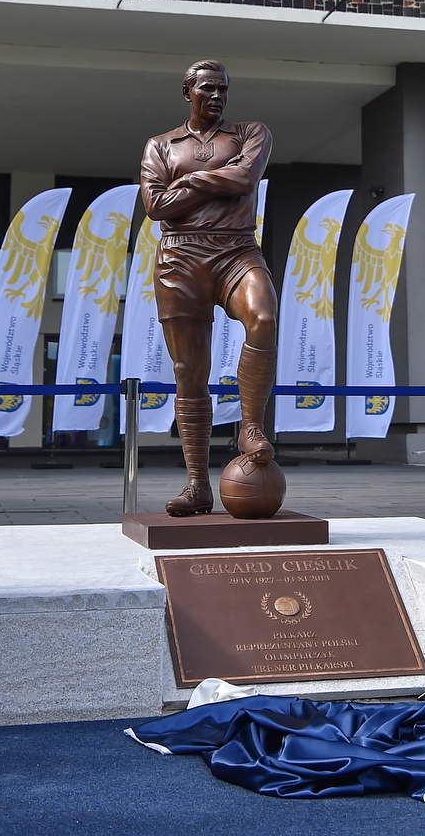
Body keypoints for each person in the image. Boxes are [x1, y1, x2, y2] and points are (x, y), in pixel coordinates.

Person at [139, 60, 277, 515]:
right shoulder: (160, 145)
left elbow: (244, 178)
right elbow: (156, 206)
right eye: (207, 89)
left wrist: (191, 181)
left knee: (264, 317)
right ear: (187, 92)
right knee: (188, 371)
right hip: (180, 258)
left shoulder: (251, 133)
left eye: (223, 89)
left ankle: (251, 426)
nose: (216, 96)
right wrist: (213, 182)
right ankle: (197, 484)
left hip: (237, 249)